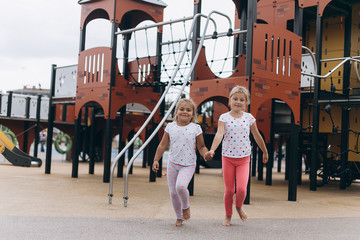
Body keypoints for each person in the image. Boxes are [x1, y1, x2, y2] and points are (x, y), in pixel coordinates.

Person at [207, 86, 268, 226]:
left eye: (242, 99)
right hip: (227, 157)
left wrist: (265, 151)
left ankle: (239, 206)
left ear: (246, 103)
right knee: (229, 190)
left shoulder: (249, 118)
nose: (238, 102)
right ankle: (228, 215)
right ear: (230, 101)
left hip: (244, 158)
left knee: (241, 189)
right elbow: (219, 134)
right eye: (235, 99)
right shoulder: (224, 117)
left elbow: (256, 135)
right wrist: (212, 150)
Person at [152, 98, 211, 227]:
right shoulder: (170, 126)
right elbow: (163, 145)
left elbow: (201, 146)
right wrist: (156, 159)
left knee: (181, 186)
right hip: (173, 163)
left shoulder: (196, 128)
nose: (185, 112)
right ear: (176, 112)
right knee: (173, 192)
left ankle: (186, 207)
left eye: (189, 110)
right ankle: (179, 217)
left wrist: (206, 154)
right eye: (182, 109)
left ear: (193, 114)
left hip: (188, 164)